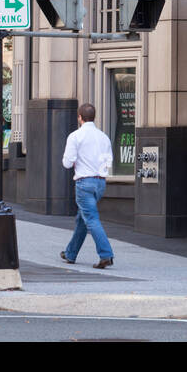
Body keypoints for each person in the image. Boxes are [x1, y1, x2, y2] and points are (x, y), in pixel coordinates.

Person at [60, 103, 115, 268]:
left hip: (84, 182)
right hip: (100, 182)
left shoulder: (75, 136)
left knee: (91, 219)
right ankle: (71, 253)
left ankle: (106, 255)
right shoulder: (103, 136)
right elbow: (109, 161)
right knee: (82, 219)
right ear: (94, 117)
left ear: (79, 117)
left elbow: (67, 163)